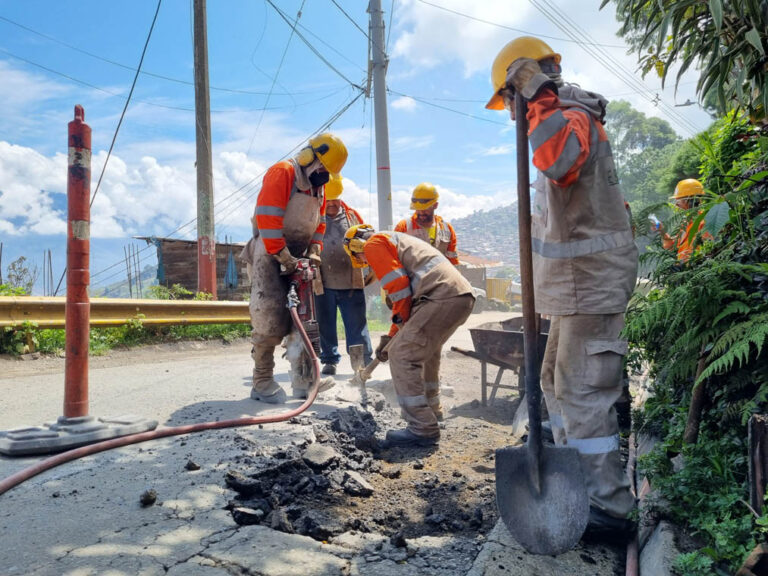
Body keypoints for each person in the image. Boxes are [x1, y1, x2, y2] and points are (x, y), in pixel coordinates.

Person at [486, 36, 639, 539]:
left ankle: (608, 507)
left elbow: (557, 160)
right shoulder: (561, 116)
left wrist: (540, 95)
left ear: (521, 83)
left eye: (509, 99)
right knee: (553, 381)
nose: (509, 113)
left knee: (582, 392)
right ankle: (570, 478)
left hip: (591, 284)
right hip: (577, 287)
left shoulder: (566, 115)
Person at [342, 224, 475, 447]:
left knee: (402, 355)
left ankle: (422, 428)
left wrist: (393, 340)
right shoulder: (395, 241)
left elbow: (400, 290)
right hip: (458, 296)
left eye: (361, 259)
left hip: (439, 296)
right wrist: (391, 336)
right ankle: (432, 410)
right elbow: (406, 296)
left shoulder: (374, 244)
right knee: (426, 352)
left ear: (357, 248)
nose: (366, 264)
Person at [239, 133, 347, 403]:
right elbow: (267, 217)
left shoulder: (316, 185)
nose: (324, 175)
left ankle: (304, 382)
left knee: (304, 319)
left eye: (327, 172)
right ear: (309, 156)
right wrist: (283, 256)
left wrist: (314, 250)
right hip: (270, 251)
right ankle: (262, 380)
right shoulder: (283, 172)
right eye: (322, 168)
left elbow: (319, 223)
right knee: (269, 316)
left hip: (299, 253)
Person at [314, 173, 374, 376]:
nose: (331, 204)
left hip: (351, 283)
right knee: (325, 324)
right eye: (327, 200)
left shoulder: (353, 217)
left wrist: (370, 269)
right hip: (323, 282)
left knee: (357, 324)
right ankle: (329, 360)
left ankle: (363, 361)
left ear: (340, 197)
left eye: (334, 200)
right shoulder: (314, 216)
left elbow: (369, 243)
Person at [394, 183, 460, 265]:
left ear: (435, 205)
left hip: (439, 276)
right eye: (418, 208)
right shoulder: (404, 227)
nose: (421, 212)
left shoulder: (447, 229)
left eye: (425, 208)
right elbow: (394, 258)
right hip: (412, 277)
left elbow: (453, 260)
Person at [661, 178, 711, 262]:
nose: (676, 204)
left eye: (679, 200)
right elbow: (673, 247)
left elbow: (707, 251)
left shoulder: (705, 222)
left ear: (691, 200)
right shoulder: (686, 223)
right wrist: (662, 232)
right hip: (683, 269)